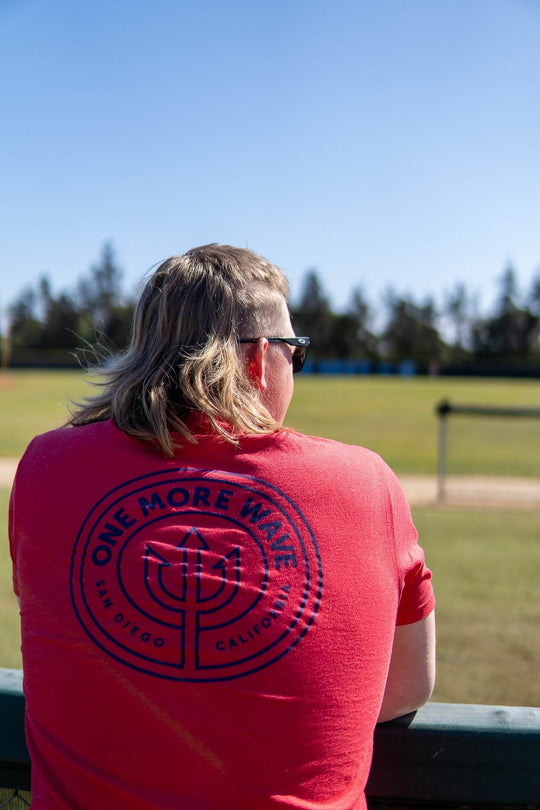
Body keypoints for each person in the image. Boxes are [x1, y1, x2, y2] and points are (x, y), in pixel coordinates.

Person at [9, 244, 435, 810]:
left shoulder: (45, 468)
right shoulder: (365, 481)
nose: (294, 366)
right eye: (295, 352)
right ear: (258, 359)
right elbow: (404, 688)